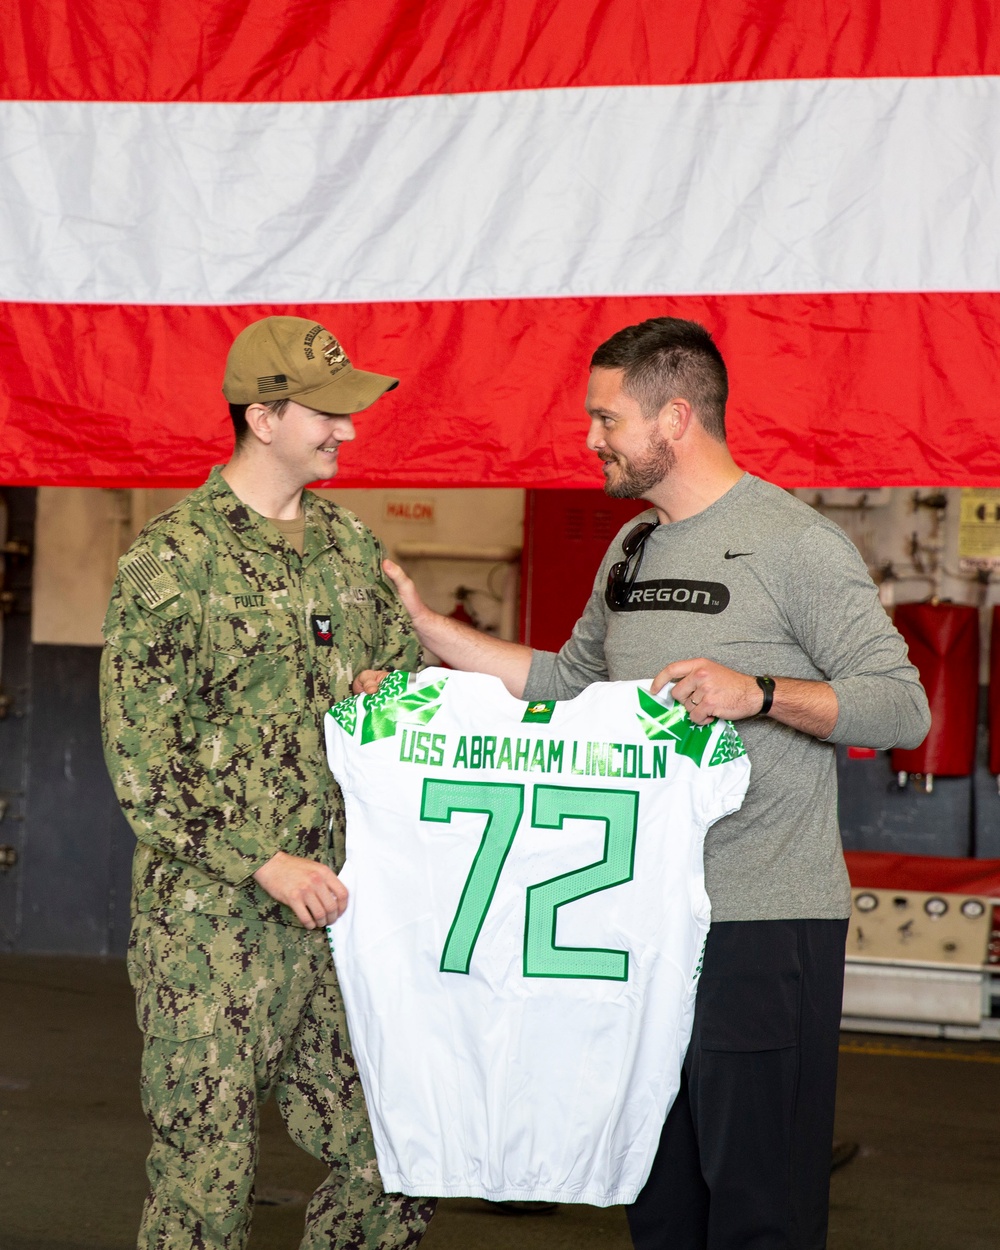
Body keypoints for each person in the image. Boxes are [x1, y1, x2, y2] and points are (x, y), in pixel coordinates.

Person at [355, 317, 930, 1250]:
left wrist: (760, 692)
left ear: (674, 418)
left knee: (760, 1209)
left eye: (605, 418)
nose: (590, 439)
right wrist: (431, 632)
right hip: (639, 929)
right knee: (657, 1199)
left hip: (760, 922)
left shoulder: (794, 542)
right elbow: (566, 687)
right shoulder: (632, 547)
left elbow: (903, 708)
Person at [100, 316, 435, 1250]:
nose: (348, 430)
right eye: (326, 414)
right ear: (262, 417)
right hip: (211, 924)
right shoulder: (172, 562)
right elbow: (141, 762)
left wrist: (388, 694)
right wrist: (264, 862)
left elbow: (402, 686)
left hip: (341, 915)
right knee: (206, 1185)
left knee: (397, 1152)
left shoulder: (352, 551)